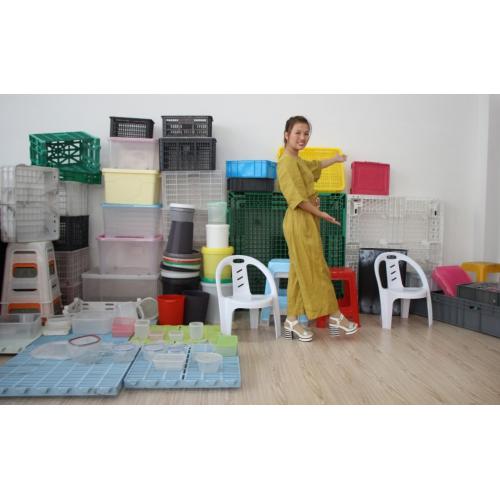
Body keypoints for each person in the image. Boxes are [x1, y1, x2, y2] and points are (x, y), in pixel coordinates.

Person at [277, 116, 359, 342]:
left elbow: (314, 166)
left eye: (306, 133)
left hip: (307, 219)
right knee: (316, 268)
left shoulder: (298, 160)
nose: (302, 138)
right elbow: (297, 199)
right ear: (286, 135)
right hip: (299, 220)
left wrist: (335, 159)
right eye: (297, 133)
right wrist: (321, 213)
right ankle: (335, 316)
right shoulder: (286, 163)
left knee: (299, 271)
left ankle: (291, 320)